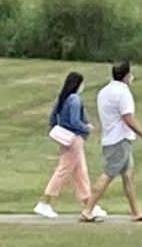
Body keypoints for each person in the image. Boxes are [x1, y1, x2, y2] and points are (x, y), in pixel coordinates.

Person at [89, 59, 142, 223]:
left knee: (127, 175)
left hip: (111, 137)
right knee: (108, 175)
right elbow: (127, 117)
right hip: (119, 139)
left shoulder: (104, 91)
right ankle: (87, 208)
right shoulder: (123, 93)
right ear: (126, 76)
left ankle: (136, 211)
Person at [35, 69, 100, 221]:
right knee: (63, 170)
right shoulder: (75, 100)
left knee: (80, 172)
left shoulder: (62, 98)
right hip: (74, 139)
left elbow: (53, 117)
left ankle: (88, 204)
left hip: (63, 138)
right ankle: (45, 202)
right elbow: (74, 121)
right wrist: (86, 127)